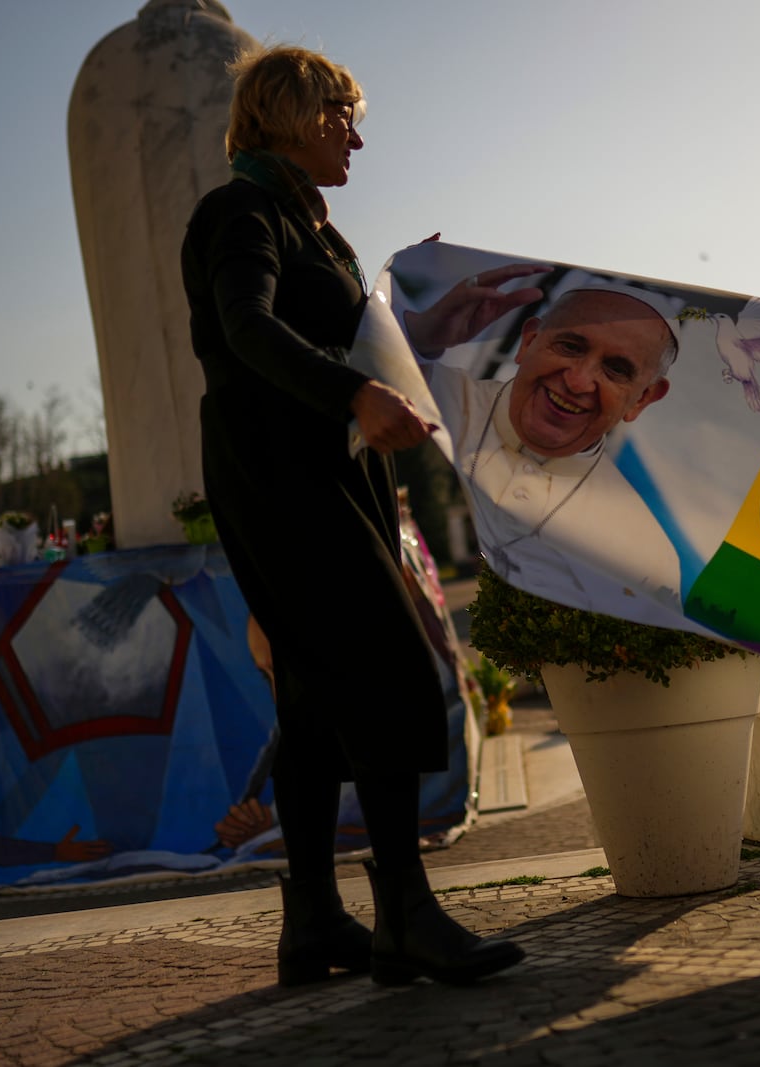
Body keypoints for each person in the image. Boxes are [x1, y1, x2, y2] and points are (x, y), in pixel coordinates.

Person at [181, 44, 523, 988]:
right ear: (292, 113)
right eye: (342, 118)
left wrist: (437, 315)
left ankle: (316, 922)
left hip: (331, 473)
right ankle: (405, 917)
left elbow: (349, 337)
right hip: (284, 480)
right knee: (386, 668)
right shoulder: (240, 211)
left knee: (314, 696)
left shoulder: (311, 229)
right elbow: (247, 328)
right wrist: (352, 396)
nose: (357, 140)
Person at [404, 279, 687, 625]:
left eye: (615, 369)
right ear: (529, 342)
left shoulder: (647, 558)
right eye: (569, 346)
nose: (578, 381)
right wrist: (412, 338)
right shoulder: (417, 391)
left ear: (642, 398)